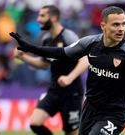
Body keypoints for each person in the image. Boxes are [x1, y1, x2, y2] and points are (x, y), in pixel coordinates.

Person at [10, 6, 125, 135]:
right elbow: (62, 53)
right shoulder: (90, 43)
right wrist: (30, 48)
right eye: (116, 25)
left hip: (114, 114)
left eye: (123, 24)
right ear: (103, 26)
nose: (121, 29)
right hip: (89, 110)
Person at [13, 5, 88, 135]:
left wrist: (69, 78)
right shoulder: (46, 39)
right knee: (35, 123)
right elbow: (44, 64)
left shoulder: (68, 36)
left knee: (72, 133)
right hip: (54, 91)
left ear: (53, 18)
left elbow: (85, 59)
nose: (38, 19)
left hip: (72, 93)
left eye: (42, 16)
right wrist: (24, 57)